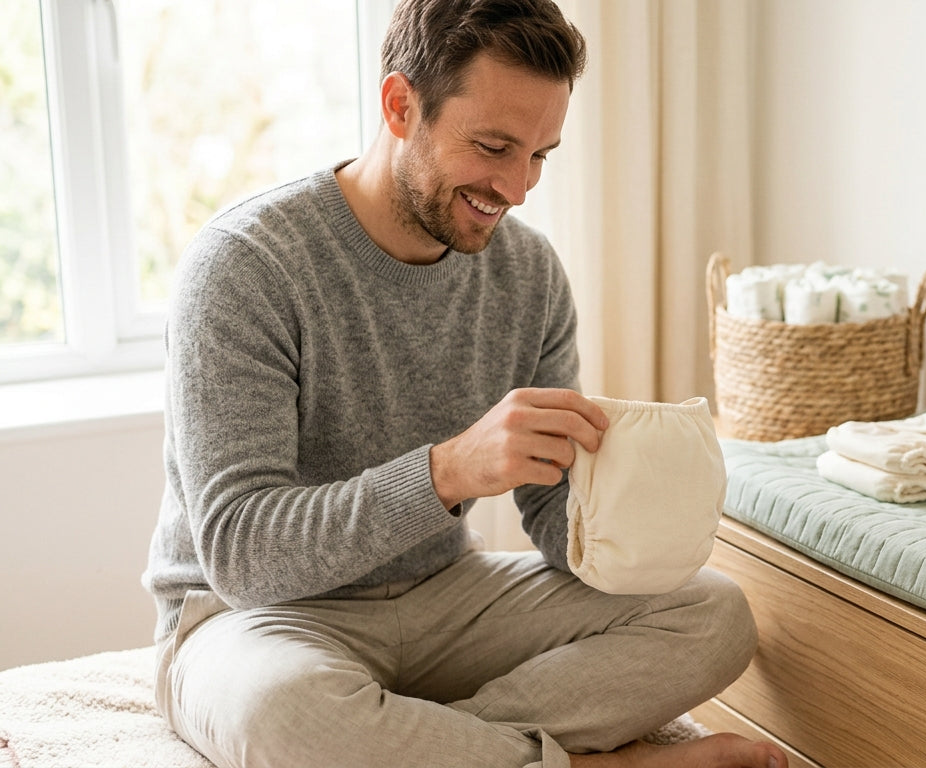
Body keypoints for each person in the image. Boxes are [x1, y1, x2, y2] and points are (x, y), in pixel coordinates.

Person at [142, 1, 788, 766]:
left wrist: (633, 514)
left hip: (446, 597)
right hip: (262, 620)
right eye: (493, 147)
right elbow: (244, 556)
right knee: (284, 712)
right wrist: (448, 471)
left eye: (542, 154)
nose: (517, 188)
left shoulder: (529, 273)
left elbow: (552, 514)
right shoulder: (247, 266)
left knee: (712, 614)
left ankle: (442, 747)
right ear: (400, 105)